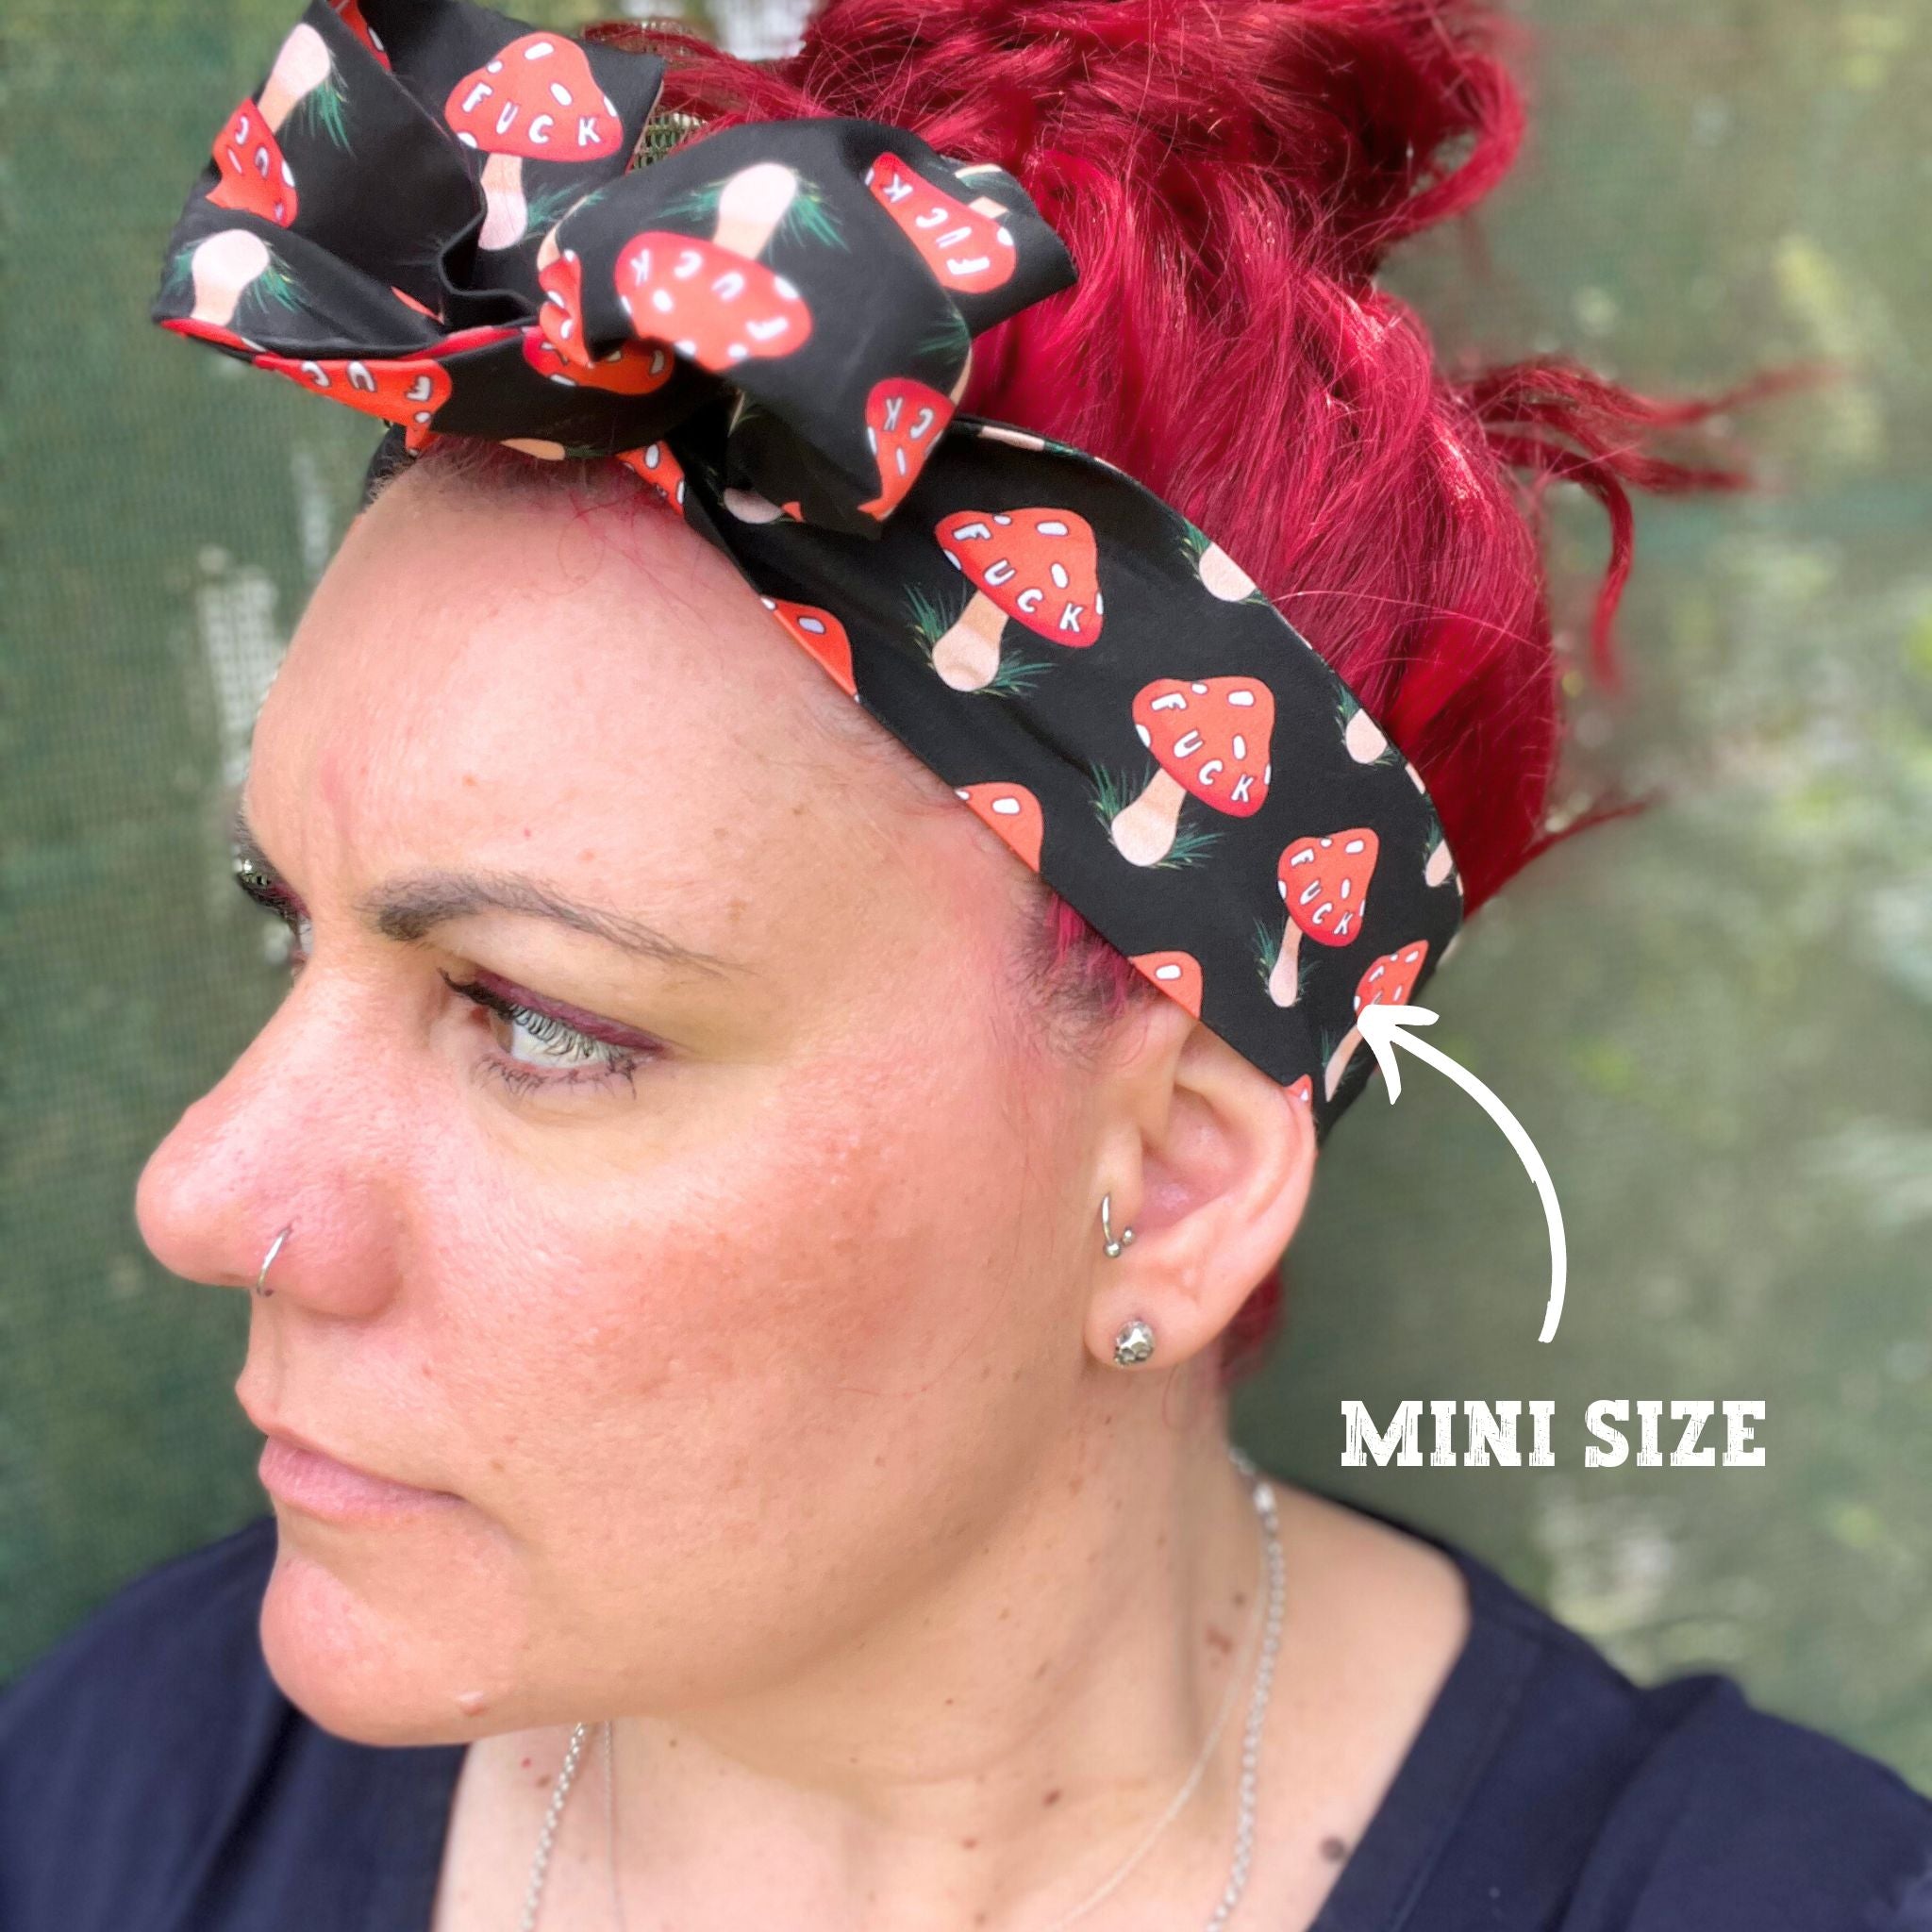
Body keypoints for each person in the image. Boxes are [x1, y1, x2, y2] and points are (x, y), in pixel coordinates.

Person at [4, 0, 1929, 1928]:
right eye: (292, 927)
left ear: (1171, 1180)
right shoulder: (124, 1804)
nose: (201, 1196)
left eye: (538, 1022)